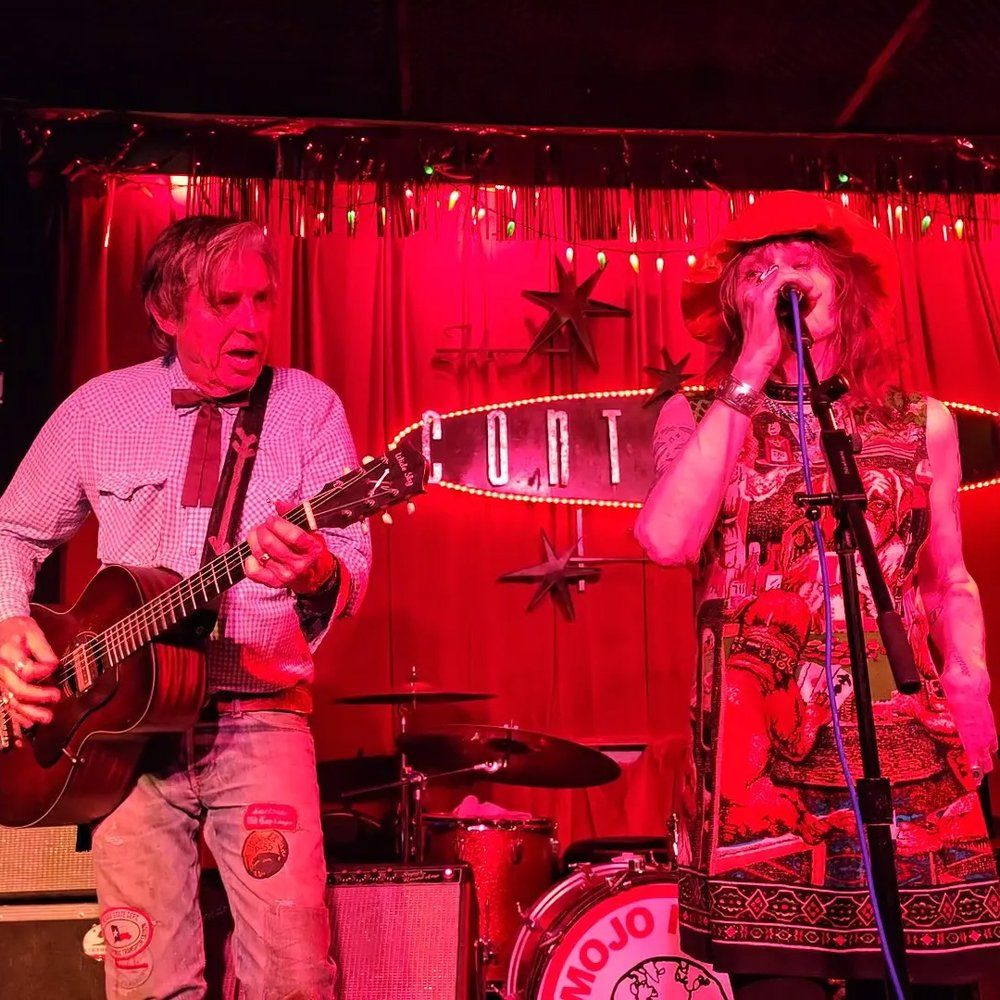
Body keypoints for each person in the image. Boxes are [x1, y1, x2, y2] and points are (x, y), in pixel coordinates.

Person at [635, 191, 999, 999]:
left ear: (844, 284)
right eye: (756, 271)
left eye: (801, 261)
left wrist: (971, 673)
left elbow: (949, 578)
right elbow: (665, 539)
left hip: (901, 742)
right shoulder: (698, 414)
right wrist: (751, 371)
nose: (781, 278)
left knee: (929, 980)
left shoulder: (922, 422)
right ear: (735, 303)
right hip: (759, 759)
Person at [0, 216, 372, 998]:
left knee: (294, 980)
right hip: (119, 741)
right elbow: (11, 528)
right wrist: (9, 622)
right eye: (225, 302)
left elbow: (353, 564)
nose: (252, 322)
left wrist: (316, 574)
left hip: (259, 718)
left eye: (262, 299)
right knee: (146, 986)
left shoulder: (308, 409)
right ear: (165, 312)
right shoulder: (100, 410)